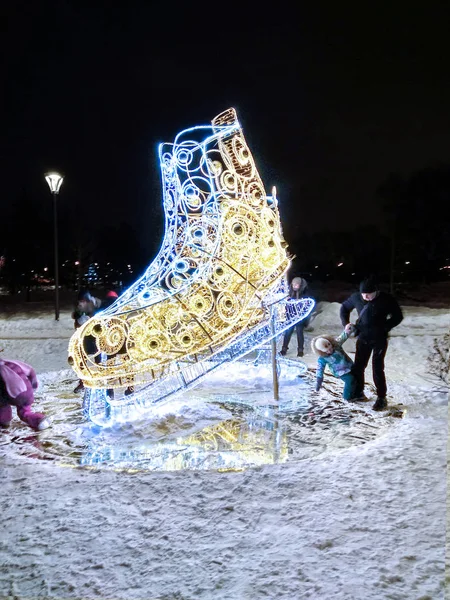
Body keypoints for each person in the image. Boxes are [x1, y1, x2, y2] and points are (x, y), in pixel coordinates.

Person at [340, 277, 403, 411]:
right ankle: (358, 392)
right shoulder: (356, 297)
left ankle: (381, 398)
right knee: (358, 366)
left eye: (369, 294)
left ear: (376, 291)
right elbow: (344, 308)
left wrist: (385, 327)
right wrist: (346, 323)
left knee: (377, 368)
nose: (366, 296)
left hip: (379, 339)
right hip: (363, 337)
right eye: (364, 294)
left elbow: (398, 316)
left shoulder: (387, 299)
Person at [0, 357, 51, 431]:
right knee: (25, 413)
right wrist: (33, 387)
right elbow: (31, 371)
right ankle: (40, 421)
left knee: (2, 406)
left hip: (13, 395)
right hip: (27, 391)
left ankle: (4, 422)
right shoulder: (11, 362)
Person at [311, 330, 356, 400]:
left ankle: (357, 393)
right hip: (340, 372)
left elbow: (342, 337)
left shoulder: (336, 344)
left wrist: (347, 331)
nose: (330, 350)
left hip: (349, 365)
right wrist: (319, 381)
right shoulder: (322, 358)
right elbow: (320, 369)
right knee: (349, 380)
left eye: (330, 346)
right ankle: (346, 397)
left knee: (356, 379)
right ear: (321, 351)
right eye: (326, 350)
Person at [72, 290, 102, 393]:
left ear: (88, 301)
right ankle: (82, 381)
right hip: (84, 338)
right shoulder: (80, 308)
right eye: (80, 301)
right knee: (81, 359)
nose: (81, 303)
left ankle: (101, 379)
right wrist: (79, 318)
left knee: (99, 360)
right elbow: (76, 319)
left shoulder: (96, 306)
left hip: (96, 336)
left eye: (83, 301)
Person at [280, 277, 309, 357]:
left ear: (300, 285)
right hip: (291, 317)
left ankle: (300, 350)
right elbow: (286, 304)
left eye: (296, 284)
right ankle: (284, 349)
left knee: (299, 333)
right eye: (293, 284)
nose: (294, 286)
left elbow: (307, 304)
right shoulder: (290, 293)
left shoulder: (304, 294)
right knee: (288, 333)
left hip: (300, 318)